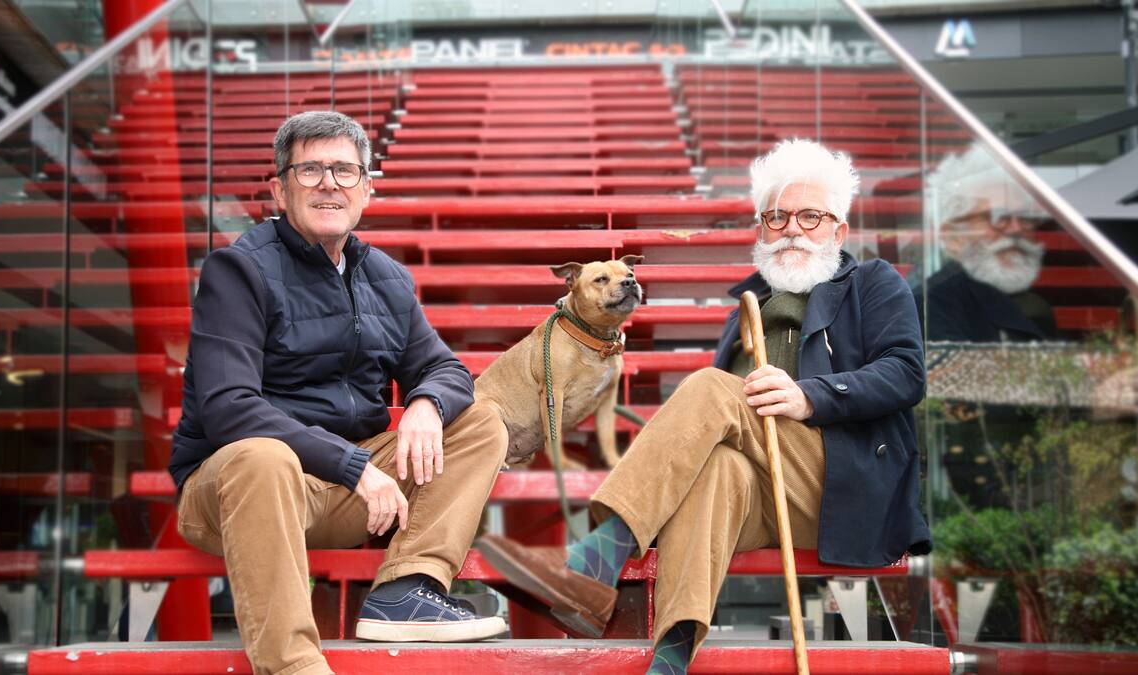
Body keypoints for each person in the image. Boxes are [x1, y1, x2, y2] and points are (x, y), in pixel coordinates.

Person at [478, 138, 931, 674]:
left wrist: (810, 395)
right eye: (777, 216)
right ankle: (670, 659)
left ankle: (595, 560)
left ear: (839, 230)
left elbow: (906, 373)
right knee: (717, 467)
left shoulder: (872, 283)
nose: (792, 228)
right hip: (760, 494)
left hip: (843, 483)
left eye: (811, 216)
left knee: (713, 388)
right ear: (760, 229)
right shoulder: (746, 307)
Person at [168, 111, 509, 675]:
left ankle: (407, 588)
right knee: (262, 455)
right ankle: (293, 665)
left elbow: (445, 368)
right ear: (279, 188)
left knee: (480, 419)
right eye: (311, 170)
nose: (330, 183)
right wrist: (353, 465)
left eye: (346, 171)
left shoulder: (387, 278)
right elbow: (229, 409)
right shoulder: (238, 271)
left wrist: (426, 403)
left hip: (350, 493)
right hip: (242, 490)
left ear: (367, 190)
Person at [919, 144, 1055, 342]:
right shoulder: (932, 308)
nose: (1016, 229)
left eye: (1025, 216)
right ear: (953, 237)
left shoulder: (1032, 304)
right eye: (999, 216)